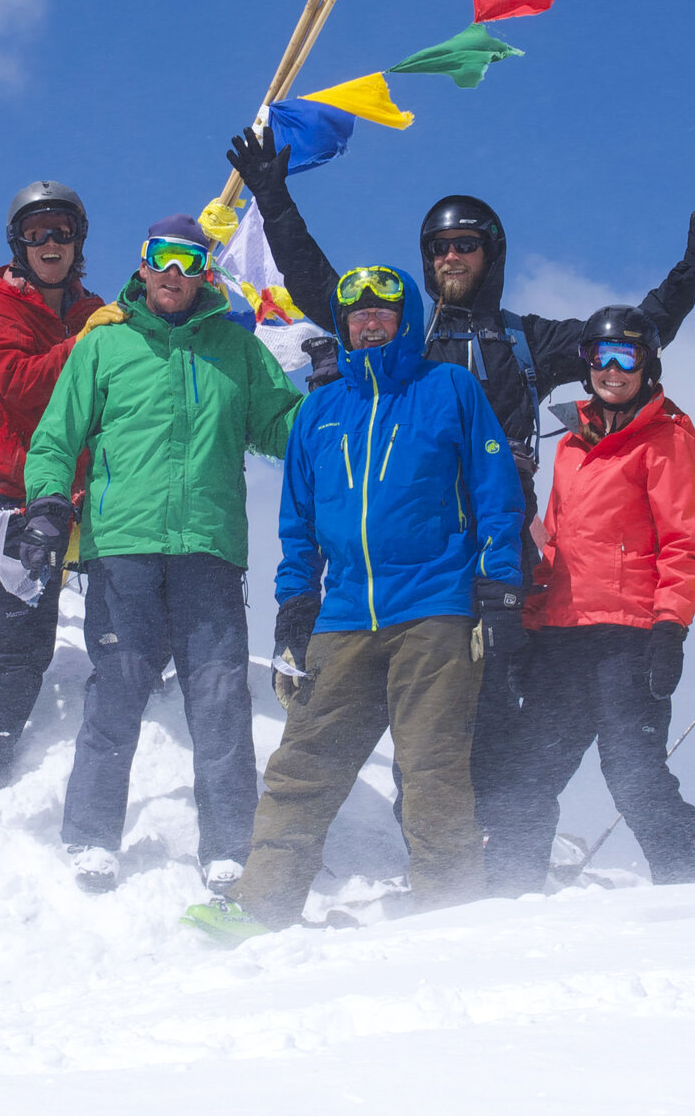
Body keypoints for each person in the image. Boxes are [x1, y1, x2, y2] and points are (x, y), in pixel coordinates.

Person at [224, 128, 695, 843]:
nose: (450, 257)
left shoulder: (525, 340)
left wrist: (694, 270)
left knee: (502, 733)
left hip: (503, 568)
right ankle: (437, 878)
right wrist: (273, 199)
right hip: (422, 568)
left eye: (465, 244)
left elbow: (632, 336)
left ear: (490, 253)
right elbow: (322, 290)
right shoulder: (407, 342)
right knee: (424, 743)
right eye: (438, 248)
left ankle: (506, 885)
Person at [183, 263, 523, 941]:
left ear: (404, 319)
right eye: (357, 315)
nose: (369, 322)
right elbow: (298, 526)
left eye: (384, 312)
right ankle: (261, 905)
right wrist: (293, 608)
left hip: (433, 608)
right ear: (343, 326)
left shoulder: (448, 388)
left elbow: (495, 492)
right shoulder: (320, 410)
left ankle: (450, 910)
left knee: (431, 768)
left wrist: (500, 590)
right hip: (343, 619)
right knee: (301, 766)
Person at [19, 214, 301, 893]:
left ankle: (230, 844)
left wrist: (330, 398)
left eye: (188, 260)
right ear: (142, 266)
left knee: (220, 699)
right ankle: (90, 835)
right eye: (161, 258)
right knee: (116, 691)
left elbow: (282, 429)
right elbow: (55, 437)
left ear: (206, 272)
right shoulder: (104, 346)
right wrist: (49, 505)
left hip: (208, 548)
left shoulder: (235, 352)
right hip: (125, 550)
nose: (174, 272)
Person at [482, 304, 695, 894]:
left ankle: (694, 890)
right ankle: (507, 897)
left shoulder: (664, 440)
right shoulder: (573, 444)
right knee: (528, 776)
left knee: (634, 774)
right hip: (561, 634)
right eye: (598, 356)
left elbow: (682, 542)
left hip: (627, 635)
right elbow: (554, 545)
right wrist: (529, 626)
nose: (611, 369)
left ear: (648, 362)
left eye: (625, 356)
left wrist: (670, 629)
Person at [0, 180, 106, 794]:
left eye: (62, 229)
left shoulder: (92, 312)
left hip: (65, 499)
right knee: (11, 643)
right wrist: (83, 345)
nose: (50, 241)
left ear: (78, 240)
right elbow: (26, 387)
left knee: (101, 630)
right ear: (18, 244)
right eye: (37, 232)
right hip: (0, 499)